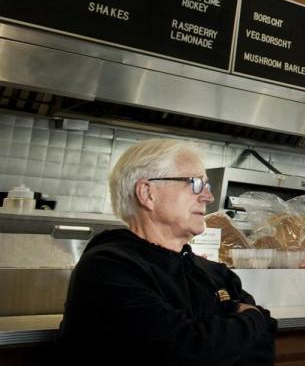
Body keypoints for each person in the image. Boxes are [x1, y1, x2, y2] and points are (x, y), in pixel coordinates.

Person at [58, 139, 276, 365]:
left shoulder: (215, 273)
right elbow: (187, 352)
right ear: (147, 193)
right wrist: (252, 317)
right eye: (195, 184)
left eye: (206, 186)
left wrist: (229, 333)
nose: (208, 197)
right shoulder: (107, 268)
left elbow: (264, 348)